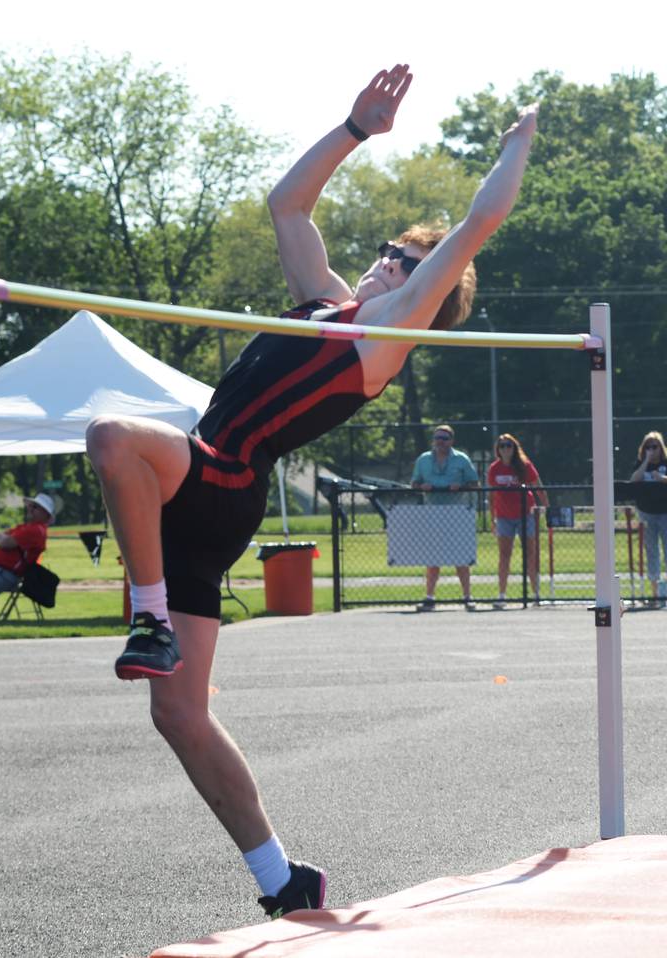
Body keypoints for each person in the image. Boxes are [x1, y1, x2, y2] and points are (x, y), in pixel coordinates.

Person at [86, 63, 538, 918]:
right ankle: (284, 883)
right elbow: (287, 207)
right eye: (385, 249)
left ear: (419, 292)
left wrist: (517, 140)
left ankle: (148, 616)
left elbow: (479, 224)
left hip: (219, 475)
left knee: (112, 438)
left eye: (401, 260)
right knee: (178, 714)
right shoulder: (321, 303)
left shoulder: (383, 339)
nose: (382, 261)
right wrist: (356, 129)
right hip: (196, 491)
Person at [410, 424, 479, 610]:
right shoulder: (423, 460)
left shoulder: (462, 459)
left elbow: (475, 483)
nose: (440, 441)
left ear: (452, 441)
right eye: (437, 437)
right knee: (433, 559)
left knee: (461, 559)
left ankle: (467, 597)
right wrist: (421, 486)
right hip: (432, 513)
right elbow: (414, 483)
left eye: (445, 438)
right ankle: (430, 597)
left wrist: (461, 486)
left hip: (456, 513)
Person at [487, 433, 548, 608]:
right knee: (504, 555)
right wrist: (493, 519)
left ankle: (536, 594)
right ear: (498, 450)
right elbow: (491, 496)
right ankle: (502, 595)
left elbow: (538, 486)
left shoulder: (524, 465)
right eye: (502, 446)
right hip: (504, 517)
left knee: (530, 553)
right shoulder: (494, 468)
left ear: (514, 448)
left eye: (509, 445)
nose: (506, 449)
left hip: (525, 514)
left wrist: (546, 507)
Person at [0, 493, 55, 601]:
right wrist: (3, 538)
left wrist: (3, 538)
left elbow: (4, 542)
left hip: (2, 574)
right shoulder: (29, 527)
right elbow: (1, 535)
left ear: (45, 514)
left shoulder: (35, 530)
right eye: (31, 505)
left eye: (35, 507)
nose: (30, 509)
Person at [630, 431, 667, 605]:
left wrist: (662, 479)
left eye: (655, 446)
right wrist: (645, 461)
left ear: (661, 447)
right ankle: (654, 596)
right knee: (652, 554)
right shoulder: (640, 464)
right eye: (648, 447)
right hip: (647, 514)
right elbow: (633, 480)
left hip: (665, 514)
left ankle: (664, 593)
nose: (652, 450)